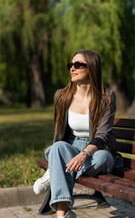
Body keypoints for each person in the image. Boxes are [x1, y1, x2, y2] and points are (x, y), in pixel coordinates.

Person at [33, 49, 118, 218]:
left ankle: (54, 171)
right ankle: (62, 215)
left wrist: (84, 155)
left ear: (92, 68)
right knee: (57, 148)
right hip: (71, 148)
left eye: (78, 65)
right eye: (71, 65)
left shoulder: (106, 97)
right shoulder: (62, 96)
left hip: (98, 149)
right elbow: (59, 135)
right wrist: (60, 153)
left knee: (101, 159)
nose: (72, 68)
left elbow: (102, 136)